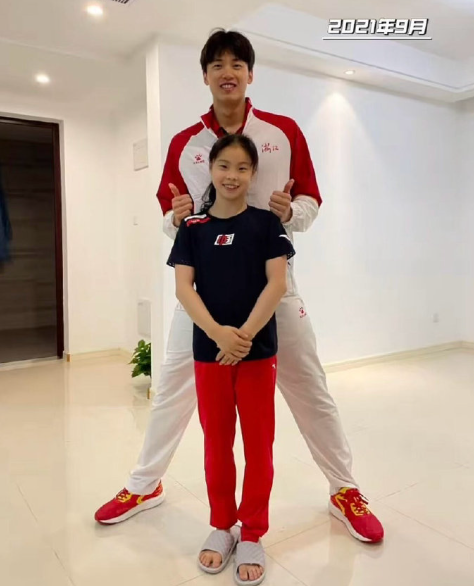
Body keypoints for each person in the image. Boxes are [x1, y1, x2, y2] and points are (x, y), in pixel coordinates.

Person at [95, 29, 384, 544]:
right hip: (204, 294)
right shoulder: (185, 144)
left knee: (310, 388)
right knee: (172, 388)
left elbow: (311, 203)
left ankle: (345, 489)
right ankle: (145, 484)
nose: (227, 73)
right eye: (217, 65)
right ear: (205, 76)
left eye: (237, 64)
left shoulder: (283, 132)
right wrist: (176, 217)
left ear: (250, 74)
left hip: (276, 286)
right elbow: (170, 217)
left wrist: (289, 212)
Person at [168, 133, 294, 584]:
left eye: (243, 168)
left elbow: (277, 283)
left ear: (253, 174)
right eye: (224, 166)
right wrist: (218, 333)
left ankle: (253, 532)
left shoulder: (266, 224)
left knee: (259, 446)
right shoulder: (193, 228)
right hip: (210, 353)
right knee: (216, 444)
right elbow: (184, 288)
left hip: (257, 353)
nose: (232, 175)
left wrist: (243, 336)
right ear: (211, 169)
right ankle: (222, 526)